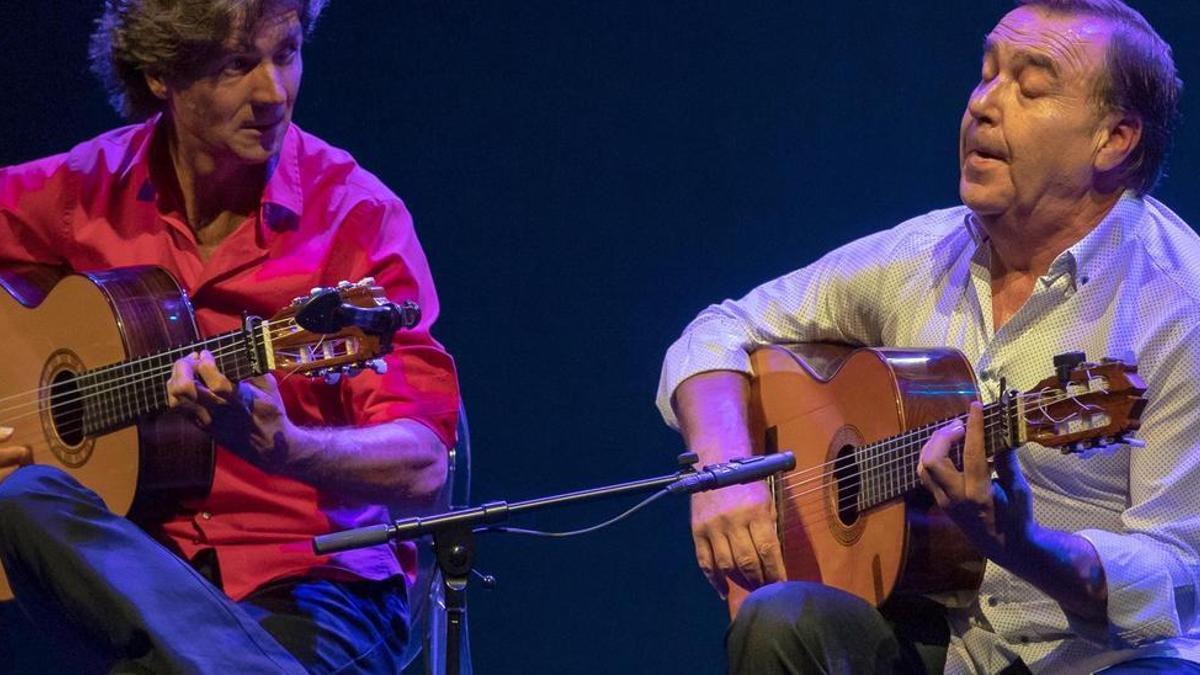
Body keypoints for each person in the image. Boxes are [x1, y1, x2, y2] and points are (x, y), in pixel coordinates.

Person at [656, 0, 1200, 673]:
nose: (983, 104)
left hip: (1106, 659)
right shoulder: (919, 254)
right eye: (985, 74)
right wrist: (725, 475)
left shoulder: (1182, 306)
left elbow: (1182, 570)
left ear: (1114, 139)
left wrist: (1023, 543)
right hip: (938, 640)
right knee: (783, 622)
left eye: (1029, 87)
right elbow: (719, 330)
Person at [0, 0, 460, 672]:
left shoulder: (356, 216)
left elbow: (424, 464)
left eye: (287, 53)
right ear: (164, 74)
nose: (274, 92)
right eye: (238, 64)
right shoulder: (88, 189)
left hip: (319, 590)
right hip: (142, 578)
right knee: (21, 500)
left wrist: (290, 448)